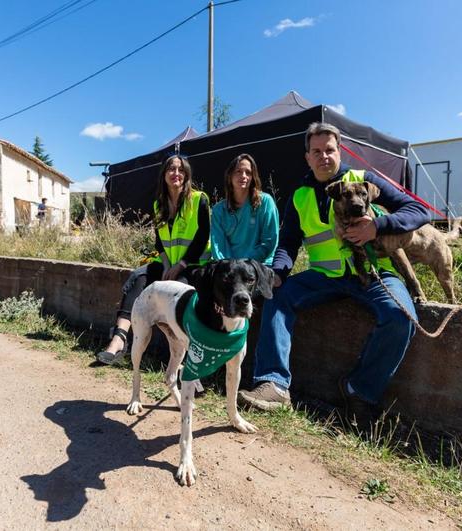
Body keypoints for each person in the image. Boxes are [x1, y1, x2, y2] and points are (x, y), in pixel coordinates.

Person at [237, 122, 430, 429]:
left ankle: (360, 391)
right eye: (317, 151)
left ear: (339, 151)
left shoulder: (364, 181)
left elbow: (419, 210)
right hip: (324, 276)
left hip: (374, 272)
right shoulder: (299, 197)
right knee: (278, 295)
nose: (324, 156)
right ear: (307, 157)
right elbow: (288, 243)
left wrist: (377, 226)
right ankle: (273, 384)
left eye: (330, 150)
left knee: (402, 315)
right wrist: (277, 274)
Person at [96, 154, 211, 365]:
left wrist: (180, 265)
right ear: (164, 175)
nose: (176, 173)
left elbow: (202, 238)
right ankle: (119, 339)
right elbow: (160, 242)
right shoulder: (159, 204)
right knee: (138, 277)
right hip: (170, 265)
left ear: (187, 175)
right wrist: (167, 264)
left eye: (181, 170)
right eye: (171, 169)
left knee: (178, 290)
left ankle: (191, 360)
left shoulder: (198, 199)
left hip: (194, 266)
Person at [211, 153, 279, 265]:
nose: (243, 176)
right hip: (229, 269)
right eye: (238, 171)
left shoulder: (266, 202)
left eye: (248, 172)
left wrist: (245, 264)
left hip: (259, 266)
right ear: (230, 176)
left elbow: (269, 241)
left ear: (253, 177)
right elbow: (218, 245)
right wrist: (231, 267)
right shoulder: (218, 210)